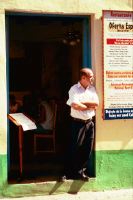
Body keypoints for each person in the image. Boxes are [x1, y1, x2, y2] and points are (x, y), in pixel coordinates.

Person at [61, 68, 99, 181]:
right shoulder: (74, 89)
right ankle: (66, 172)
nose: (93, 79)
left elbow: (96, 104)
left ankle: (80, 172)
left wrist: (82, 104)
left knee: (87, 149)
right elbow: (74, 105)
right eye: (90, 77)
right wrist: (88, 106)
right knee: (74, 148)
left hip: (89, 123)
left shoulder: (92, 89)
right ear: (83, 78)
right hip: (77, 123)